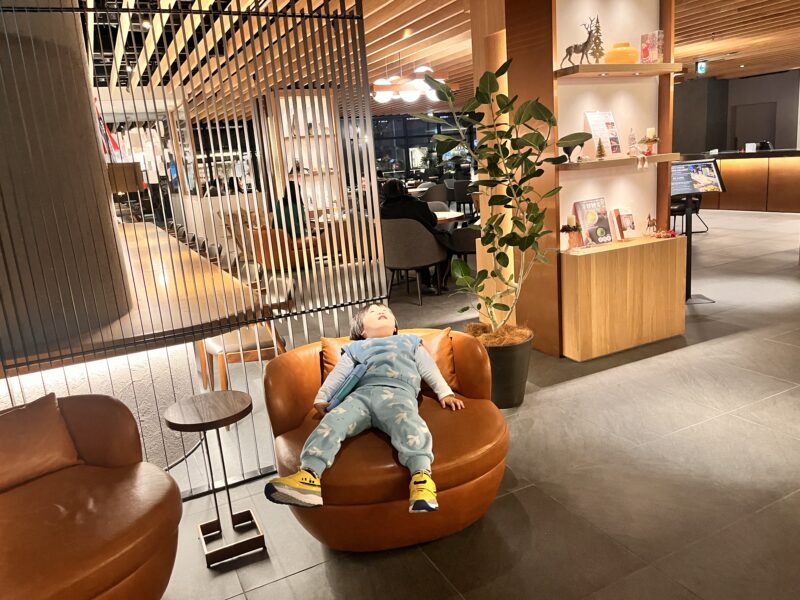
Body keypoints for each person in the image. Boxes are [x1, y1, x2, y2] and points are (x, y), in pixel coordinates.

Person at [264, 303, 464, 513]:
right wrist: (322, 397)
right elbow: (339, 374)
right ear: (362, 330)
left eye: (386, 311)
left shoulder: (409, 341)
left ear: (395, 327)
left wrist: (445, 392)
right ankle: (309, 477)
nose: (381, 311)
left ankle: (422, 479)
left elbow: (428, 367)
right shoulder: (355, 348)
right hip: (360, 396)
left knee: (411, 425)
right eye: (373, 312)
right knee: (332, 422)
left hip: (398, 394)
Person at [379, 178, 448, 293]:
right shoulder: (418, 205)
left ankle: (425, 281)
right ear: (404, 190)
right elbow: (433, 222)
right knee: (447, 242)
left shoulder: (382, 211)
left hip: (393, 254)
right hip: (423, 250)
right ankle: (438, 281)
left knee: (416, 241)